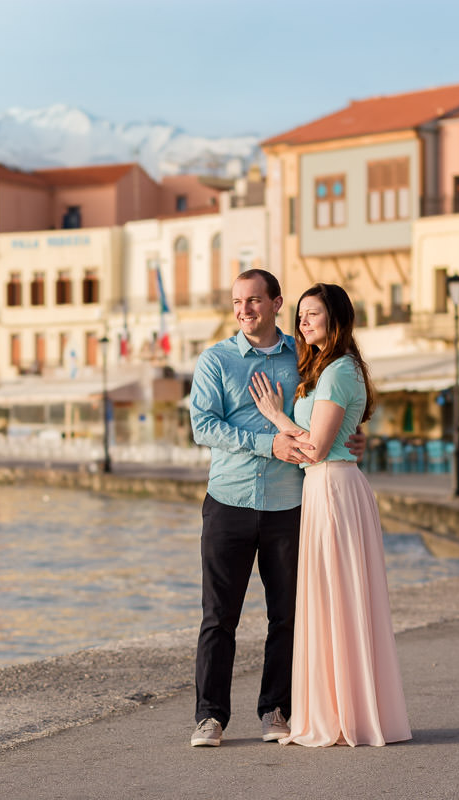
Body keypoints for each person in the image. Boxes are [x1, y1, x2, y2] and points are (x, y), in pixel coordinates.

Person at [187, 269, 363, 748]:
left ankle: (276, 709)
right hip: (229, 502)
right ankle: (210, 717)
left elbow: (328, 411)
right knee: (218, 617)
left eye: (254, 301)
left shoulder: (305, 355)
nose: (244, 310)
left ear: (277, 303)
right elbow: (203, 426)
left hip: (291, 506)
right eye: (237, 302)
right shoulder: (216, 360)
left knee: (287, 615)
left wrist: (350, 436)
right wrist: (269, 444)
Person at [250, 282, 411, 747]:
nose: (303, 321)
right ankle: (346, 710)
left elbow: (316, 447)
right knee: (336, 600)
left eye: (313, 314)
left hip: (333, 488)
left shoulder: (338, 370)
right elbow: (335, 439)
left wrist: (276, 416)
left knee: (335, 599)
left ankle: (343, 715)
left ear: (335, 319)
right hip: (330, 486)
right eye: (300, 314)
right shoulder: (330, 367)